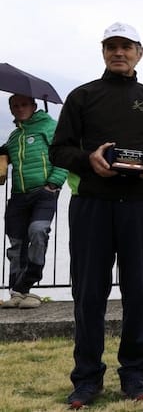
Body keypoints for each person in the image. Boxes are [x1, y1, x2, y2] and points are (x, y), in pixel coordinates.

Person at [50, 22, 143, 407]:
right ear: (103, 52)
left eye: (126, 47)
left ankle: (136, 376)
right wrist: (89, 160)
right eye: (111, 47)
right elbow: (60, 151)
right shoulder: (82, 97)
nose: (118, 53)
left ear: (139, 52)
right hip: (92, 205)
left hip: (140, 207)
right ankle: (87, 379)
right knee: (89, 293)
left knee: (140, 292)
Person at [1, 94, 68, 309]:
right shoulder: (13, 137)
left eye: (24, 105)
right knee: (16, 246)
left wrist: (54, 183)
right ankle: (17, 293)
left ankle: (28, 280)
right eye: (15, 106)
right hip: (18, 196)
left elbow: (63, 154)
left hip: (44, 193)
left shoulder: (49, 126)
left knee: (38, 232)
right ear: (11, 110)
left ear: (34, 106)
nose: (20, 109)